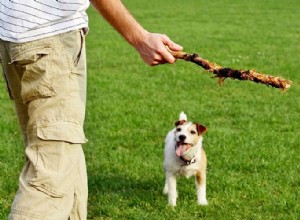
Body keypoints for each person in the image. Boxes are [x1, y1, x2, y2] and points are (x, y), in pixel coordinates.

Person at [0, 0, 182, 219]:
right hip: (49, 39)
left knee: (65, 156)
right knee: (50, 174)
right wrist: (139, 37)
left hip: (13, 38)